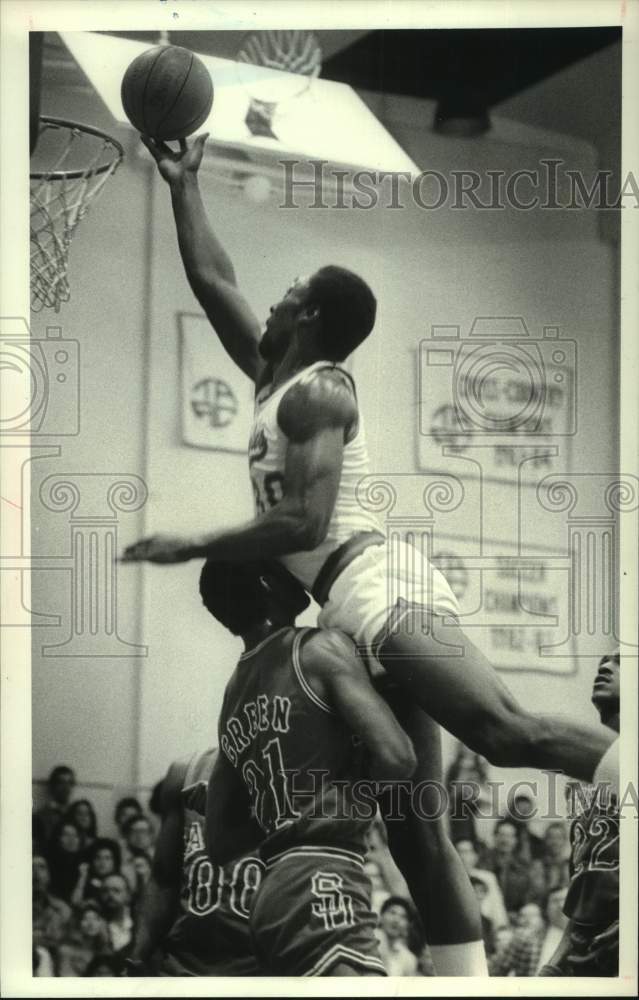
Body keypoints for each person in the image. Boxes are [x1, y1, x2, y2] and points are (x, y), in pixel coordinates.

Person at [123, 132, 615, 972]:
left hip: (377, 585)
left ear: (310, 316)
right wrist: (183, 182)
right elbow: (213, 281)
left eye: (286, 293)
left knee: (502, 731)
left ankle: (624, 775)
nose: (268, 301)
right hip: (347, 604)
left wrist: (191, 540)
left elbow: (304, 529)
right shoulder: (273, 378)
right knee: (414, 821)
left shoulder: (318, 391)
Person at [203, 557, 416, 976]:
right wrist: (337, 798)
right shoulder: (318, 649)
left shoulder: (232, 696)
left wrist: (288, 812)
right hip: (323, 877)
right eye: (281, 566)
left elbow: (219, 842)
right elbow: (399, 757)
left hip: (271, 894)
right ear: (266, 583)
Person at [126, 747, 264, 977]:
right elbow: (162, 879)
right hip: (184, 969)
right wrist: (137, 957)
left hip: (262, 973)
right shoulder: (186, 772)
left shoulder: (305, 776)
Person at [540, 650, 620, 977]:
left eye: (621, 662)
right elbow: (583, 891)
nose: (605, 666)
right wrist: (552, 967)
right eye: (603, 660)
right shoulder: (580, 781)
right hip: (587, 953)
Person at [32, 854, 72, 952]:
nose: (36, 873)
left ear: (49, 875)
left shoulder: (62, 909)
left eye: (42, 867)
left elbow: (64, 943)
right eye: (31, 867)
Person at [375, 897, 419, 976]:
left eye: (403, 917)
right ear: (381, 916)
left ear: (407, 925)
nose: (396, 920)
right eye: (392, 913)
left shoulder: (408, 959)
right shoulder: (367, 941)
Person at [34, 766, 76, 845]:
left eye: (70, 783)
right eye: (61, 782)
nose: (66, 787)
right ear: (53, 786)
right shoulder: (41, 816)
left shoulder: (76, 813)